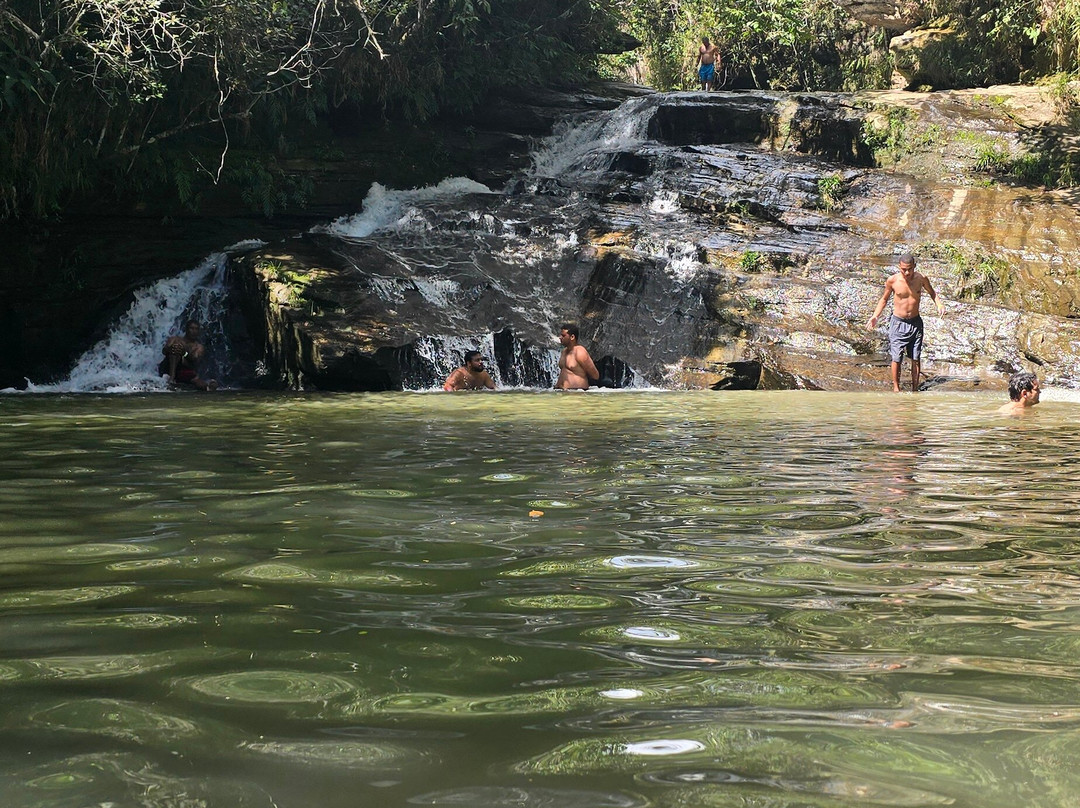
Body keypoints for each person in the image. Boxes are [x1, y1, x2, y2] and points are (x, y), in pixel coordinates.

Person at [866, 253, 945, 393]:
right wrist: (875, 316)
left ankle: (915, 389)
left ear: (914, 266)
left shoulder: (921, 279)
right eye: (903, 269)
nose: (907, 272)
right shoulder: (893, 280)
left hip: (916, 323)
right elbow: (884, 299)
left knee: (916, 357)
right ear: (899, 267)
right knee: (897, 357)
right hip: (898, 323)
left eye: (909, 269)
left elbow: (933, 293)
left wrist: (939, 305)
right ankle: (896, 388)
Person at [159, 320, 217, 391]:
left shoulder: (198, 347)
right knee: (176, 347)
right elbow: (164, 351)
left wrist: (184, 353)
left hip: (185, 369)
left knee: (196, 381)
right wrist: (171, 349)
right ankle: (172, 378)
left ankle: (208, 386)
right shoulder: (175, 339)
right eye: (192, 328)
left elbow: (195, 360)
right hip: (168, 367)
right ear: (186, 329)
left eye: (196, 329)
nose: (194, 331)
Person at [555, 323, 600, 390]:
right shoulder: (564, 351)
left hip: (576, 394)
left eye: (563, 335)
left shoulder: (580, 352)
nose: (560, 337)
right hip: (561, 392)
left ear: (572, 337)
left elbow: (595, 375)